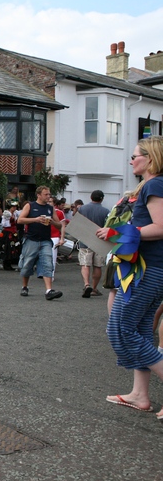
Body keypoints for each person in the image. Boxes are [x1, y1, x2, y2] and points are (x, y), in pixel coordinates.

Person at [96, 136, 163, 418]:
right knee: (143, 331)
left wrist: (118, 234)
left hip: (147, 270)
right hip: (149, 268)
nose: (131, 160)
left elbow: (161, 227)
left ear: (150, 158)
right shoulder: (150, 185)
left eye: (135, 156)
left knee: (120, 329)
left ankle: (141, 394)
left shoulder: (155, 184)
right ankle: (140, 395)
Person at [17, 186, 63, 300]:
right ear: (39, 195)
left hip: (46, 240)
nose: (48, 196)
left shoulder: (50, 208)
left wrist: (52, 222)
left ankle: (49, 291)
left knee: (47, 263)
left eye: (49, 194)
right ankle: (25, 286)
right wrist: (35, 219)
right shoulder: (30, 205)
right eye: (46, 194)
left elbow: (59, 225)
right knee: (27, 264)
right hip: (31, 240)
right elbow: (20, 220)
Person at [78, 190, 110, 298]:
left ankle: (86, 284)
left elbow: (77, 222)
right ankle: (94, 288)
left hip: (85, 240)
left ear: (91, 197)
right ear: (102, 199)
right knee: (97, 266)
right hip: (99, 241)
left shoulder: (82, 209)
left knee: (85, 264)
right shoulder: (106, 211)